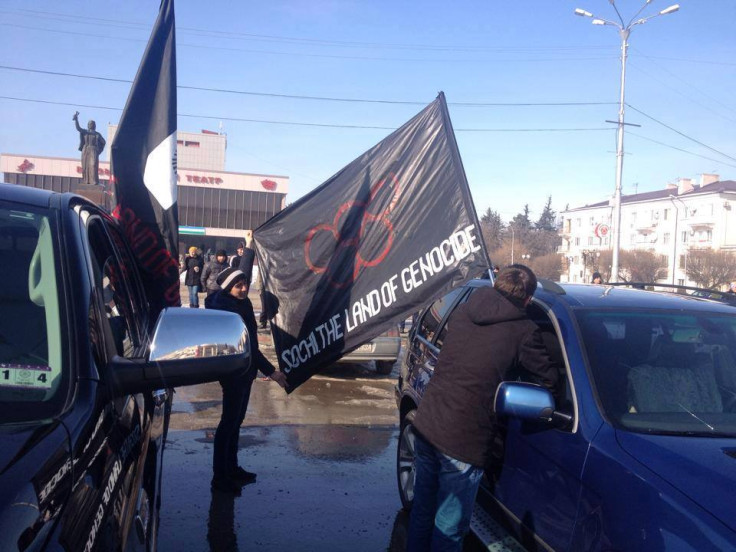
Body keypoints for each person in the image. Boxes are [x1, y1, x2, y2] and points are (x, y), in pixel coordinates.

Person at [406, 265, 559, 551]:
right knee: (449, 529)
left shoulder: (465, 309)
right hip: (462, 442)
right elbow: (549, 379)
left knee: (422, 512)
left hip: (428, 426)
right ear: (527, 299)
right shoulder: (524, 331)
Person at [205, 267, 288, 493]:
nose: (243, 289)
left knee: (236, 422)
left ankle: (232, 469)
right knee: (228, 424)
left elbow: (251, 342)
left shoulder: (243, 304)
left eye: (245, 284)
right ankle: (220, 478)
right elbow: (246, 344)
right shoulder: (224, 308)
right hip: (233, 371)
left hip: (247, 370)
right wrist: (272, 372)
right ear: (228, 287)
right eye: (238, 285)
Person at [73, 112, 106, 186]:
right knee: (85, 166)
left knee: (93, 165)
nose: (91, 125)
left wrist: (98, 150)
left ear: (94, 126)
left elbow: (103, 142)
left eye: (92, 124)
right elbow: (78, 128)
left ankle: (94, 181)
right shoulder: (85, 132)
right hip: (85, 150)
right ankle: (86, 181)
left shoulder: (97, 134)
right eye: (89, 124)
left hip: (93, 150)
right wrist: (76, 120)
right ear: (88, 125)